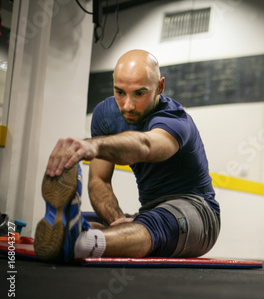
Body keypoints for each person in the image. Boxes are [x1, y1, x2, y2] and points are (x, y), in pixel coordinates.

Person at [34, 49, 220, 263]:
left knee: (155, 224)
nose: (128, 105)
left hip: (200, 213)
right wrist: (118, 219)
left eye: (139, 93)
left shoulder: (175, 120)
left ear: (160, 87)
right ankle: (77, 232)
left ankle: (80, 243)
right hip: (149, 211)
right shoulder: (106, 115)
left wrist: (94, 146)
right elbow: (99, 180)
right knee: (86, 221)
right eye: (120, 92)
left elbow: (145, 145)